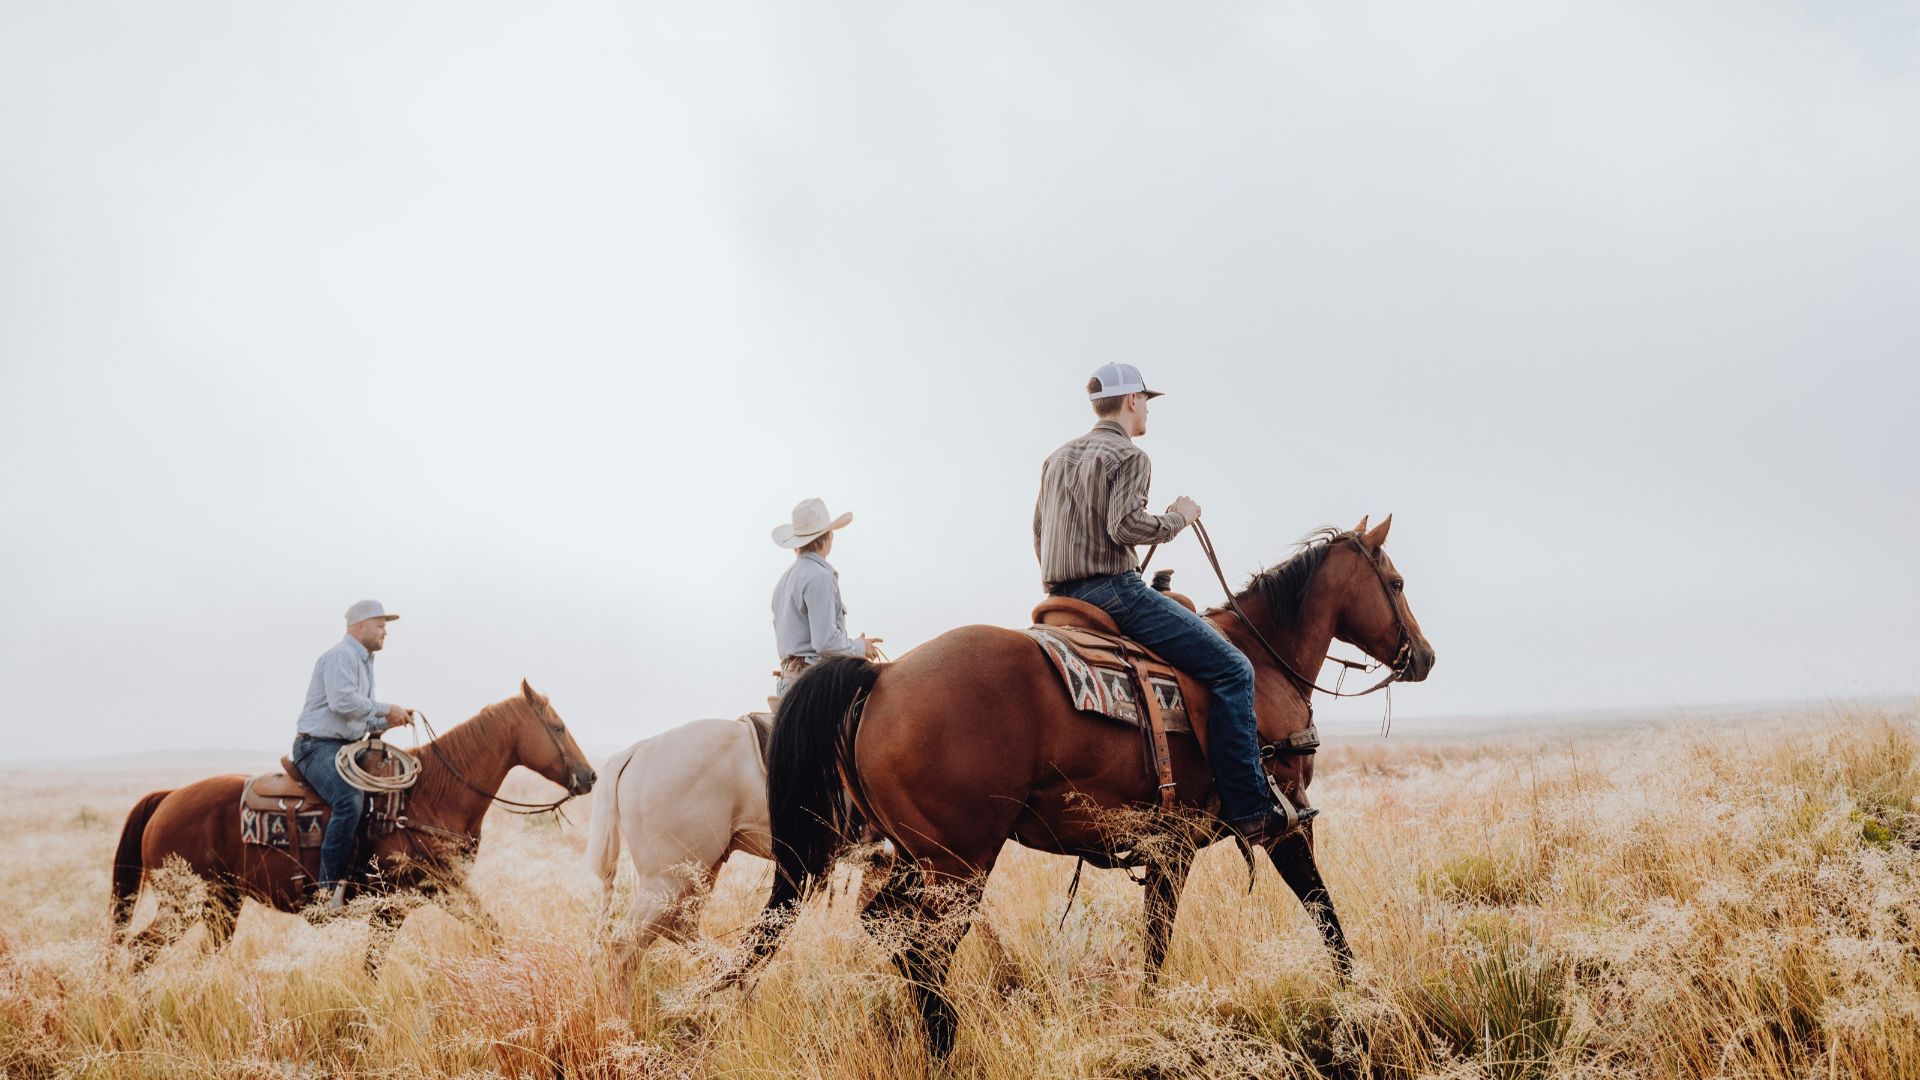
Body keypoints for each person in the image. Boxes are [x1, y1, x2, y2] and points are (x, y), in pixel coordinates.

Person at [1033, 364, 1292, 846]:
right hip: (1114, 591)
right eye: (1146, 399)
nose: (1147, 408)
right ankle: (1250, 807)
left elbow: (1039, 535)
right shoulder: (1130, 455)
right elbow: (1124, 527)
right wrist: (1178, 518)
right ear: (1131, 400)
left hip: (1058, 596)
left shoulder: (1055, 458)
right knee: (1234, 669)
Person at [292, 599, 414, 909]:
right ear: (360, 626)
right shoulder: (340, 656)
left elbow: (358, 717)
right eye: (380, 625)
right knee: (349, 800)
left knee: (380, 801)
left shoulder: (364, 661)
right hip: (316, 746)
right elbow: (343, 703)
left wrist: (388, 720)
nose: (385, 631)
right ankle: (325, 892)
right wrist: (388, 708)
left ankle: (360, 876)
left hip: (344, 746)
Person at [770, 498, 882, 701]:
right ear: (828, 536)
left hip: (788, 681)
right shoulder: (820, 576)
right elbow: (825, 642)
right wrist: (859, 647)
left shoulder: (784, 581)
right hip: (812, 683)